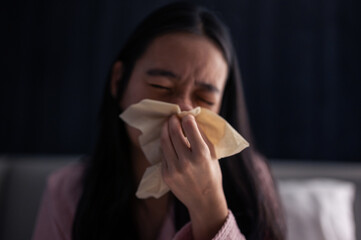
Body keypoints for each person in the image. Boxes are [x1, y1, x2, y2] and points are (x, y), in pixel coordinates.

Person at [33, 2, 286, 240]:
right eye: (161, 86)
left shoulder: (251, 181)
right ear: (118, 82)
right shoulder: (68, 194)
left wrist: (209, 207)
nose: (184, 109)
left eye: (204, 98)